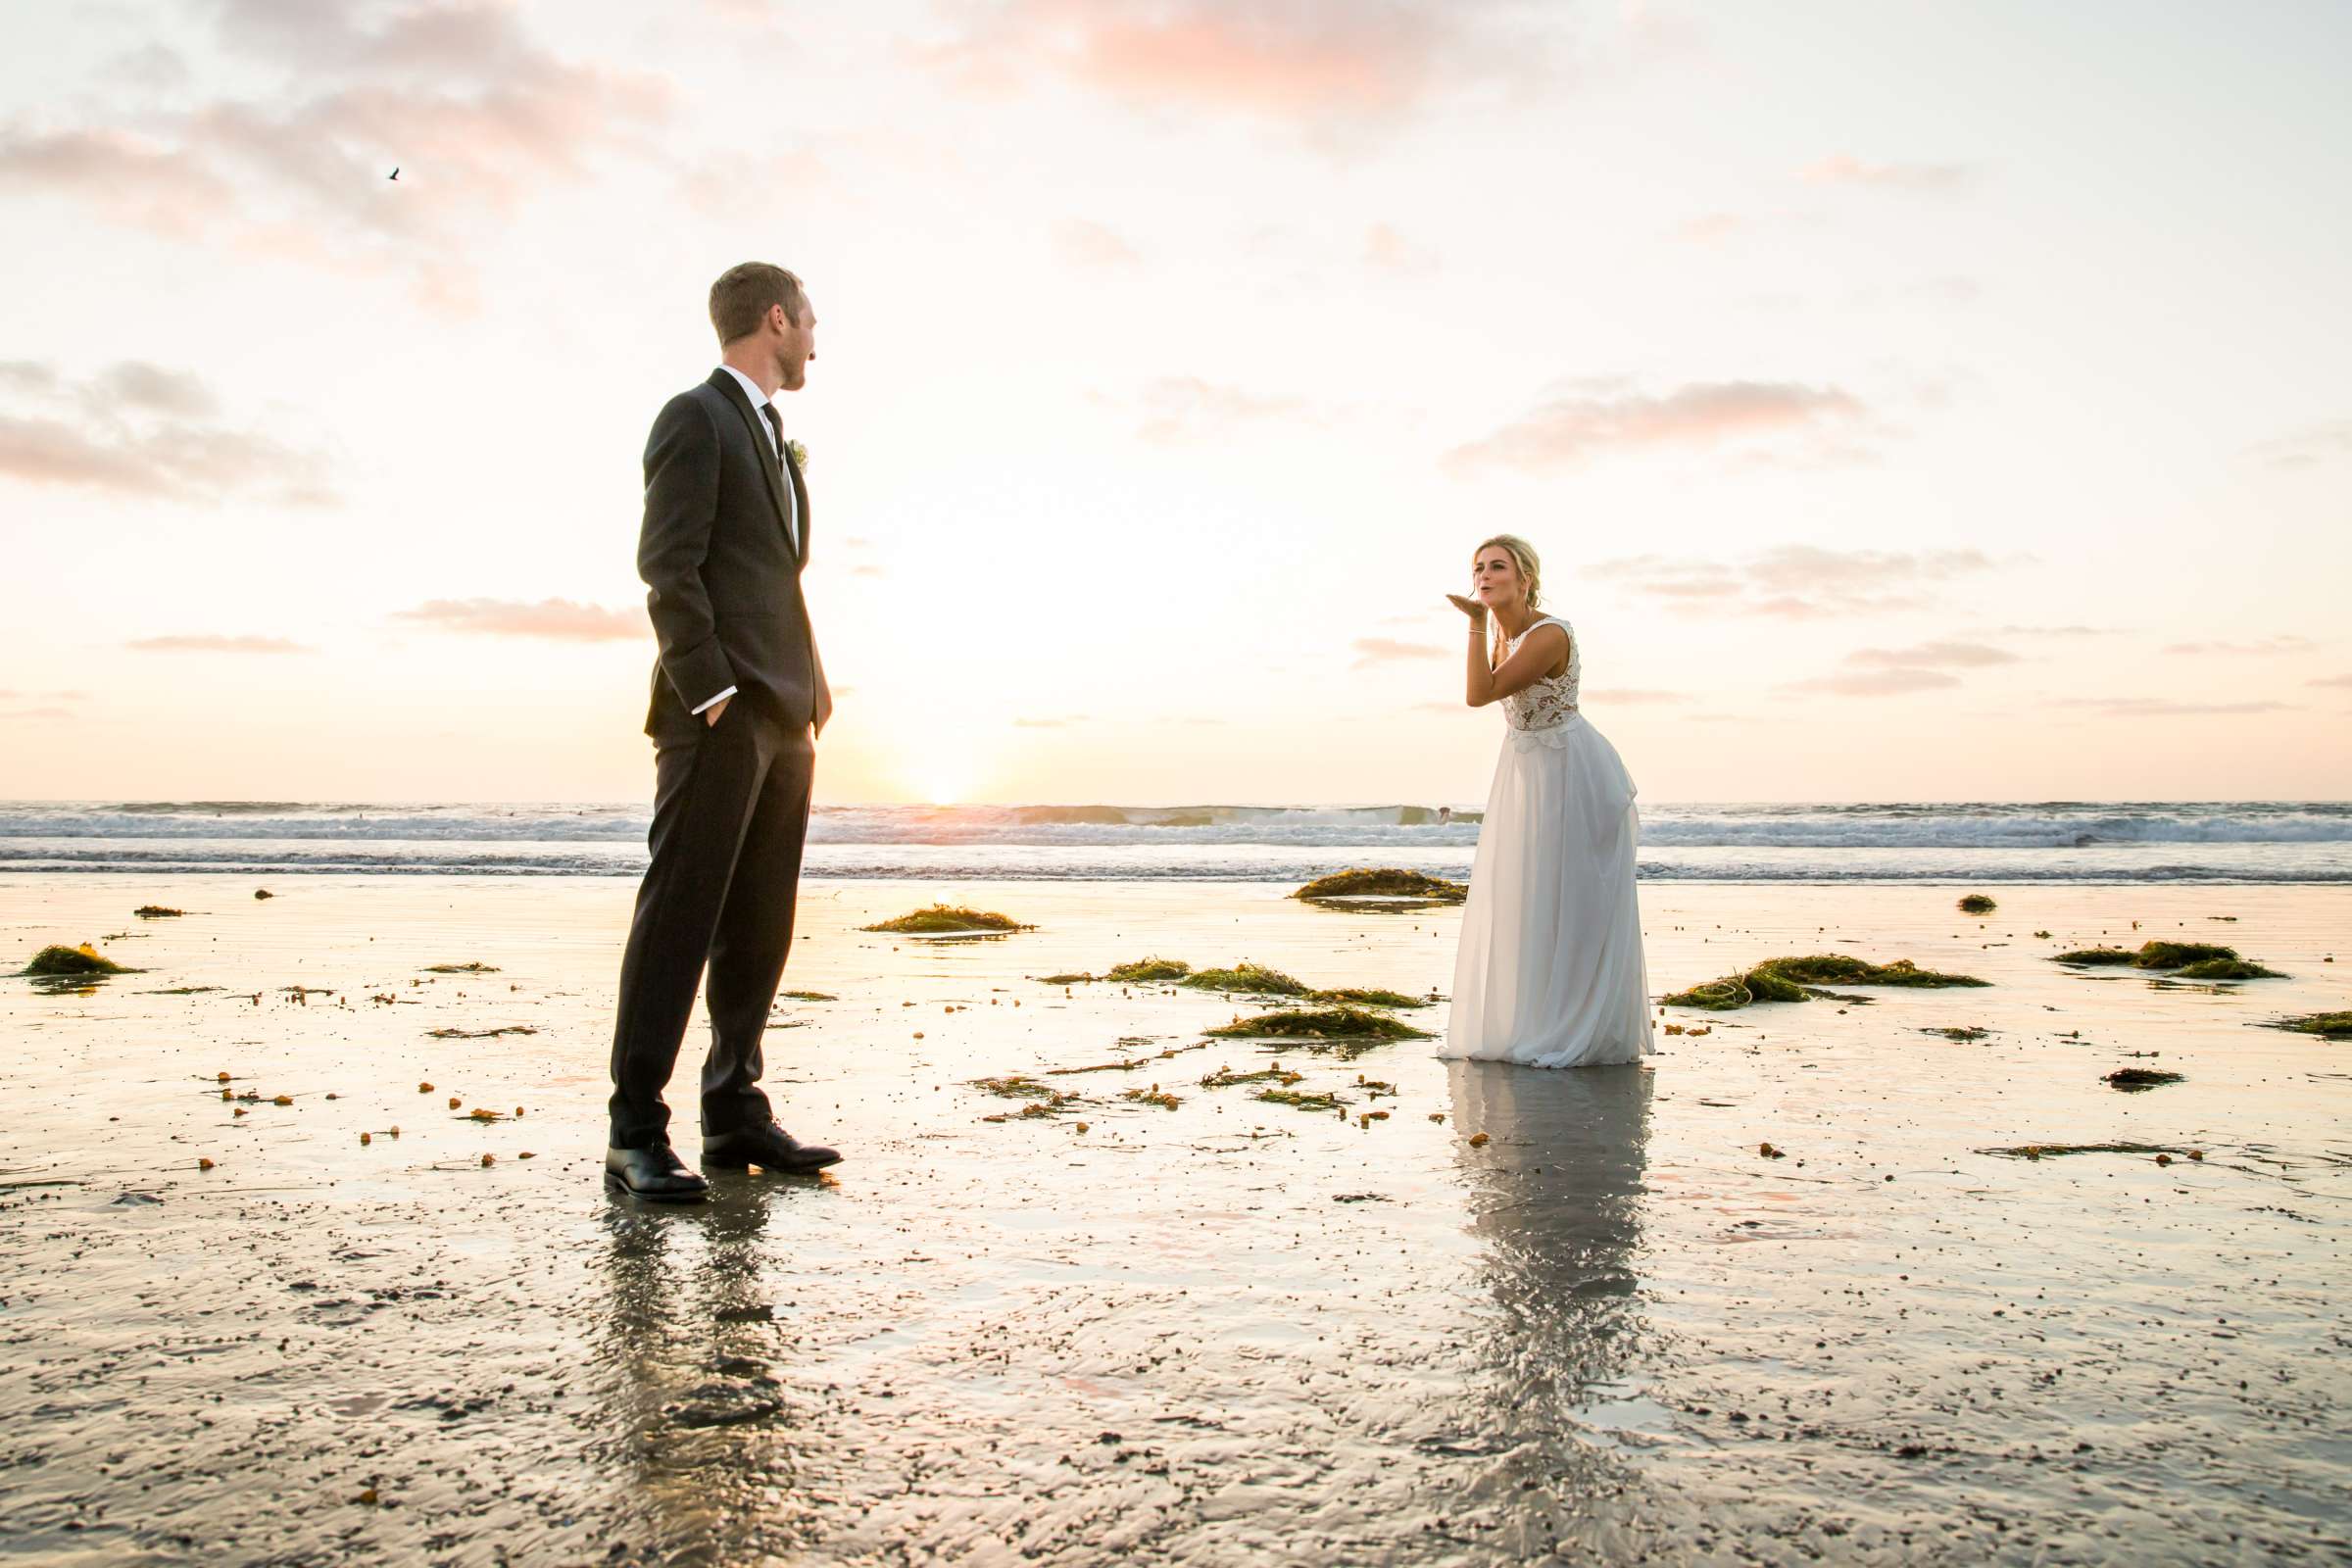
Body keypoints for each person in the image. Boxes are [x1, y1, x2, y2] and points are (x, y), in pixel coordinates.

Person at [605, 263, 842, 1201]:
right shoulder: (695, 417)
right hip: (722, 716)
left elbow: (775, 574)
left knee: (758, 923)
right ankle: (634, 1134)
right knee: (681, 915)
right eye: (811, 319)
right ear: (774, 318)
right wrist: (712, 696)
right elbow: (668, 566)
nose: (819, 338)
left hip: (788, 715)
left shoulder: (776, 435)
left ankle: (734, 1110)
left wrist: (806, 703)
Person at [1438, 534, 1653, 1068]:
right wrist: (1486, 630)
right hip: (1526, 767)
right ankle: (1530, 1020)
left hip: (1570, 771)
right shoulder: (1505, 637)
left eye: (1498, 567)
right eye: (1479, 568)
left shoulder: (1548, 634)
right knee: (1528, 892)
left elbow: (1479, 694)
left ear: (1525, 578)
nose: (1485, 576)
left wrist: (1472, 623)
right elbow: (1489, 691)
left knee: (1573, 899)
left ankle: (1575, 1026)